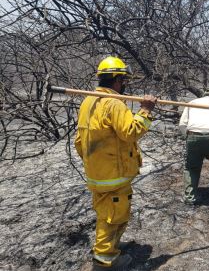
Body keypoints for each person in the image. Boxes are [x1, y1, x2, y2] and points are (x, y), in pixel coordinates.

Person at [75, 56, 157, 269]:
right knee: (112, 218)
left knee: (107, 215)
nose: (125, 85)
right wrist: (146, 109)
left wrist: (96, 161)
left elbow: (78, 142)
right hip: (114, 176)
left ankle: (110, 247)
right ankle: (105, 261)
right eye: (124, 80)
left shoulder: (87, 102)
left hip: (97, 174)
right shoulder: (114, 104)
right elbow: (131, 132)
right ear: (118, 80)